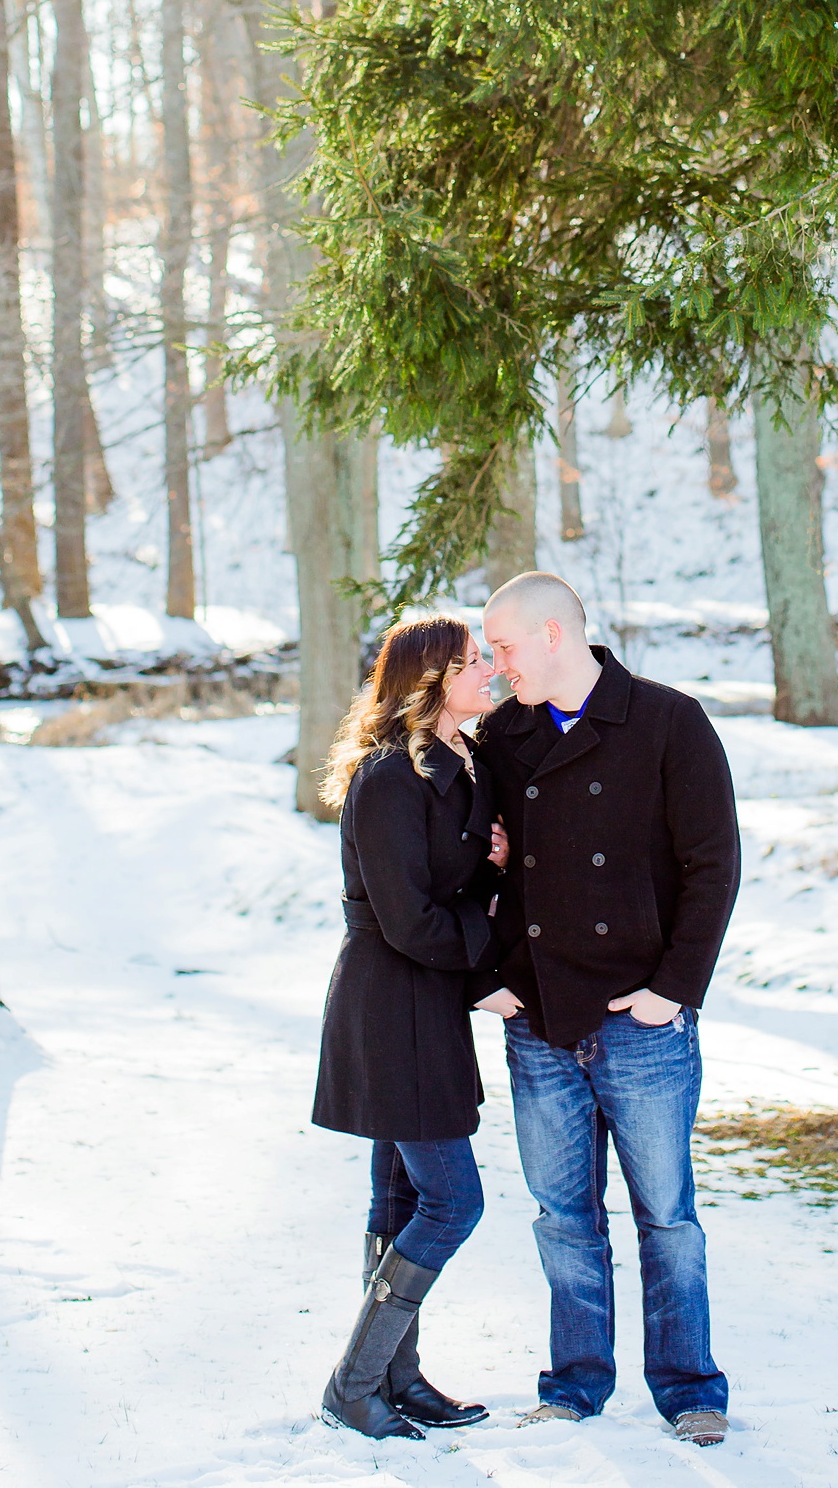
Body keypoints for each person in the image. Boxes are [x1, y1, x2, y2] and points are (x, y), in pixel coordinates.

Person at [474, 570, 741, 1449]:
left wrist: (674, 991)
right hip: (542, 1020)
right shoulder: (502, 738)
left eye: (504, 645)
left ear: (555, 635)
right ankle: (576, 1384)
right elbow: (467, 863)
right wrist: (487, 970)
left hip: (642, 1021)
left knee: (667, 1215)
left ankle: (689, 1388)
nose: (494, 662)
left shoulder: (668, 721)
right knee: (563, 1217)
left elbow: (713, 866)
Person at [312, 616, 509, 1440]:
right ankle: (353, 1384)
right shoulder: (389, 777)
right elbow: (407, 919)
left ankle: (397, 1377)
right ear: (430, 682)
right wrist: (488, 959)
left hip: (424, 1001)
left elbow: (450, 882)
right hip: (392, 1004)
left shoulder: (463, 761)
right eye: (473, 664)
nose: (489, 673)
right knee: (453, 1200)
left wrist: (496, 861)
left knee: (399, 1196)